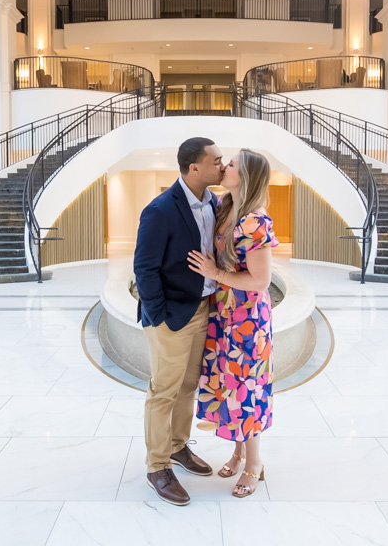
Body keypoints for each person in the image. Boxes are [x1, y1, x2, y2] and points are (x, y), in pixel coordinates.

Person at [133, 136, 225, 507]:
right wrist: (160, 317)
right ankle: (157, 466)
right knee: (164, 390)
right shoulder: (160, 210)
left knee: (188, 384)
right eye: (216, 161)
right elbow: (144, 268)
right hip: (172, 314)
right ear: (194, 168)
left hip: (203, 307)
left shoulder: (213, 202)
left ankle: (177, 447)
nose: (223, 165)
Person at [188, 148, 280, 499]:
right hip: (224, 314)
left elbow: (260, 280)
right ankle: (240, 451)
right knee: (229, 384)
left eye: (231, 166)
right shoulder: (224, 207)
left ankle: (254, 464)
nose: (224, 167)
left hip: (247, 320)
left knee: (247, 389)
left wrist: (215, 273)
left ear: (246, 178)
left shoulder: (255, 221)